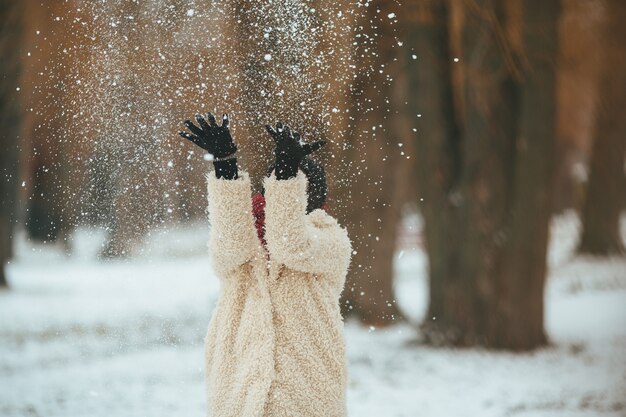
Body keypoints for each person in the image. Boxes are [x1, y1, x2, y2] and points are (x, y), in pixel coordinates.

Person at [179, 112, 352, 417]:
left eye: (293, 186)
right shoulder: (245, 239)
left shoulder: (331, 240)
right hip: (238, 388)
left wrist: (286, 172)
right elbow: (229, 249)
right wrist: (226, 165)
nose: (284, 191)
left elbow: (290, 244)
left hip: (307, 393)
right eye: (279, 183)